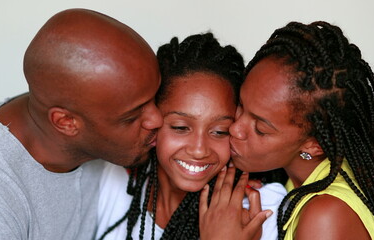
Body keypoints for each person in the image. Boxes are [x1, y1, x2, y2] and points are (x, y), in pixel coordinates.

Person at [200, 21, 374, 239]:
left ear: (314, 145)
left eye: (260, 129)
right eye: (241, 105)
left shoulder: (326, 216)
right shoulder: (305, 181)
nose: (236, 128)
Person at [0, 8, 163, 240]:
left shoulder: (79, 104)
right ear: (66, 123)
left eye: (156, 97)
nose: (157, 118)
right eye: (131, 117)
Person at [96, 33, 287, 240]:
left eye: (219, 131)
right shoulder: (116, 181)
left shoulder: (262, 207)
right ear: (154, 121)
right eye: (180, 128)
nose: (199, 149)